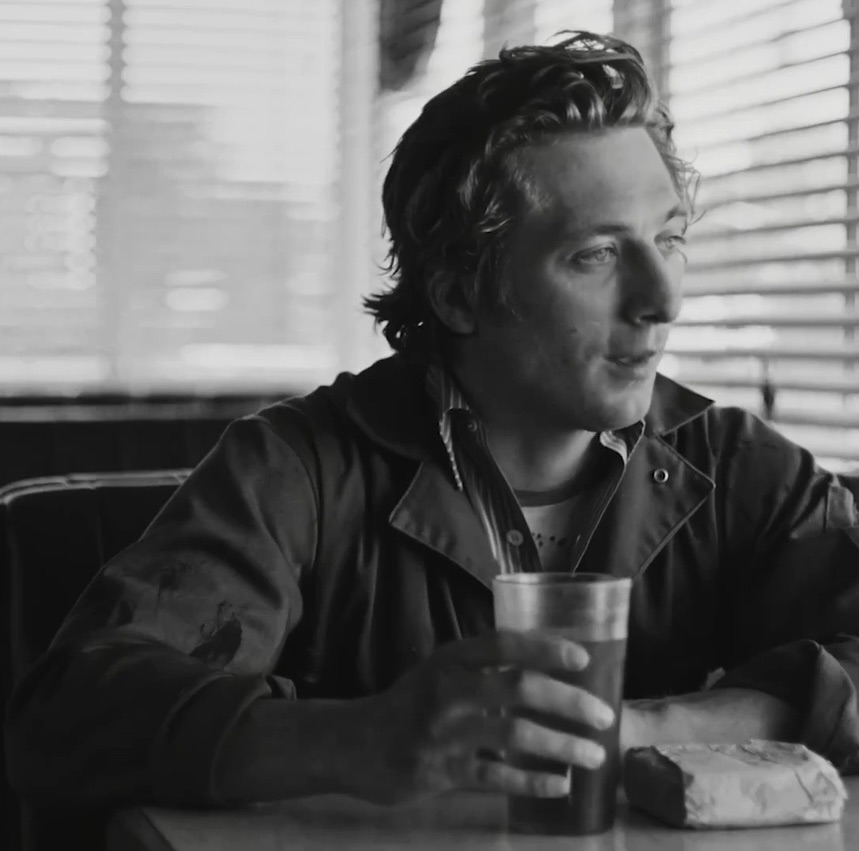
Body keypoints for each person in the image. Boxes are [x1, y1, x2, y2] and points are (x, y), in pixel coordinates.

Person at [6, 30, 859, 827]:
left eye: (667, 238)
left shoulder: (739, 467)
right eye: (594, 254)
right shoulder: (294, 468)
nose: (663, 298)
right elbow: (67, 714)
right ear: (457, 291)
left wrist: (644, 727)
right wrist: (352, 739)